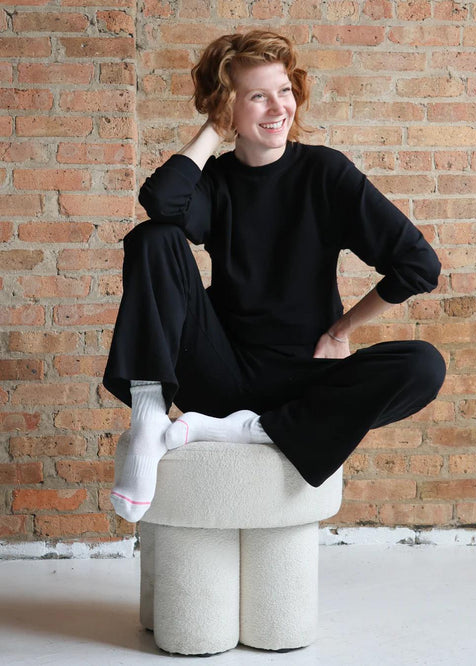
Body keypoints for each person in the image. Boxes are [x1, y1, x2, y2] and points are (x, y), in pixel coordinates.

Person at [103, 30, 446, 523]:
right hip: (220, 371)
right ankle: (148, 420)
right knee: (153, 238)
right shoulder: (215, 182)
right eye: (257, 96)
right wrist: (214, 127)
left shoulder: (325, 173)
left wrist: (341, 330)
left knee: (424, 365)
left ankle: (246, 430)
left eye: (284, 90)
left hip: (305, 383)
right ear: (229, 108)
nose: (278, 107)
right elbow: (162, 201)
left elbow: (419, 265)